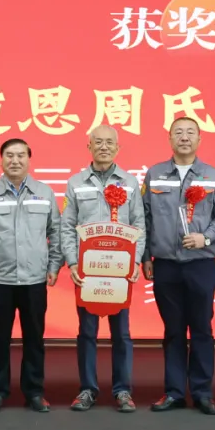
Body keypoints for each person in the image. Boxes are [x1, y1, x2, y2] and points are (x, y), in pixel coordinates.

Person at [141, 116, 215, 416]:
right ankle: (174, 392)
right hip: (166, 265)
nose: (184, 137)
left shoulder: (212, 176)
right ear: (170, 139)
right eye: (178, 132)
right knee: (173, 331)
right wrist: (145, 257)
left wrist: (205, 237)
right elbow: (144, 218)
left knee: (202, 328)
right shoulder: (155, 174)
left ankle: (203, 392)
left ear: (199, 139)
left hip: (201, 264)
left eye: (190, 132)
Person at [0, 138, 63, 413]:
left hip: (35, 279)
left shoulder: (44, 193)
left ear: (29, 159)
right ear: (1, 160)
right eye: (9, 155)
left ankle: (34, 392)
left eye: (20, 155)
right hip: (0, 280)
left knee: (34, 338)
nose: (15, 160)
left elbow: (56, 233)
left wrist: (53, 266)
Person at [61, 125, 145, 413]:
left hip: (120, 270)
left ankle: (123, 390)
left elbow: (139, 224)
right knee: (87, 332)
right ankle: (88, 389)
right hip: (88, 270)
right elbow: (67, 226)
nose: (104, 146)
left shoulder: (131, 183)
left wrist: (135, 261)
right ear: (89, 147)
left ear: (118, 148)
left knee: (121, 333)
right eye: (98, 142)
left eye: (110, 142)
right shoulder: (75, 183)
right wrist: (72, 261)